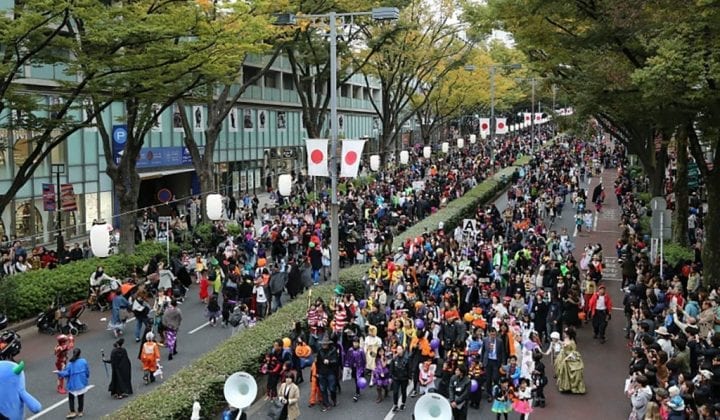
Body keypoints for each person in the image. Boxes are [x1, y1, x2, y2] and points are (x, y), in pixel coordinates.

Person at [55, 348, 90, 419]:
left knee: (71, 398)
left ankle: (72, 411)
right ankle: (80, 411)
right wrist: (86, 377)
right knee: (81, 397)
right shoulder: (83, 361)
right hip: (81, 383)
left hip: (73, 384)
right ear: (80, 354)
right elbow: (87, 371)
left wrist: (59, 372)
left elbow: (66, 373)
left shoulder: (70, 364)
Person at [554, 326, 586, 394]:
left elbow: (573, 352)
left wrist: (567, 358)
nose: (563, 333)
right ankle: (564, 386)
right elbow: (564, 344)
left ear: (568, 334)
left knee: (570, 371)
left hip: (568, 357)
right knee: (562, 371)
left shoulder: (572, 342)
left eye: (564, 333)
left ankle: (571, 386)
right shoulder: (565, 339)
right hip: (562, 356)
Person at [316, 336, 339, 412]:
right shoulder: (320, 351)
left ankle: (334, 399)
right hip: (322, 372)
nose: (323, 345)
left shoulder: (333, 350)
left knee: (332, 388)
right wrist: (317, 372)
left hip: (330, 372)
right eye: (323, 344)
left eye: (325, 344)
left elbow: (336, 360)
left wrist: (329, 361)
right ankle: (326, 404)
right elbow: (318, 362)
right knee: (323, 389)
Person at [390, 344, 410, 413]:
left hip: (404, 378)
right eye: (397, 349)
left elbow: (409, 368)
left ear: (403, 350)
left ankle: (403, 403)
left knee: (403, 391)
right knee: (395, 392)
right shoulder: (394, 358)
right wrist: (391, 376)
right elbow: (391, 367)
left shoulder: (406, 358)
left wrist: (409, 377)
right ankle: (395, 404)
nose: (398, 351)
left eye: (400, 349)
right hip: (396, 378)